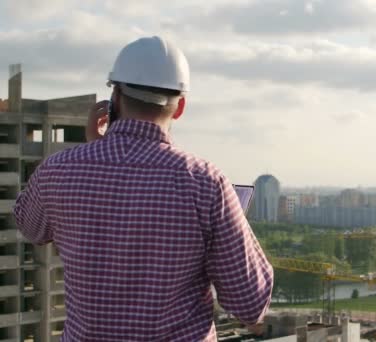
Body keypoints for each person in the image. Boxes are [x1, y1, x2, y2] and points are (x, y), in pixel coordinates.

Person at [13, 36, 273, 341]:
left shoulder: (59, 170)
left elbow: (31, 228)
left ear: (115, 97)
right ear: (180, 108)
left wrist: (91, 155)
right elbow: (250, 303)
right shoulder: (205, 182)